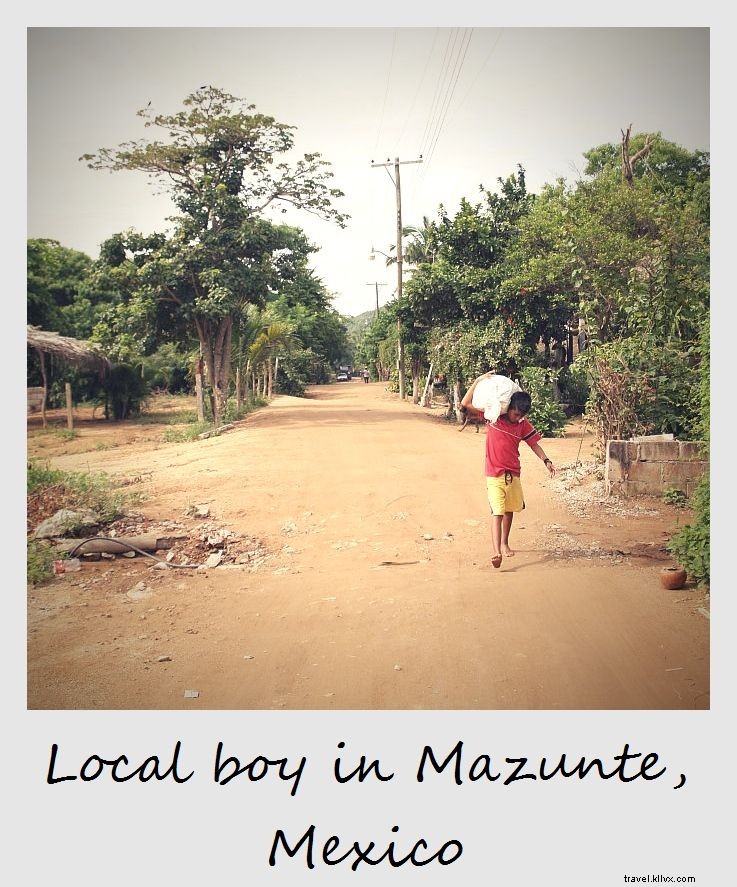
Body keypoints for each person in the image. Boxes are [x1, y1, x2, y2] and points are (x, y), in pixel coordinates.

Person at [462, 373, 556, 569]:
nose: (518, 418)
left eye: (522, 416)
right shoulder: (493, 417)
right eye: (515, 414)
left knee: (509, 510)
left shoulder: (522, 425)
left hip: (513, 474)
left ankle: (505, 543)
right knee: (497, 511)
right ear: (509, 408)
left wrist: (546, 460)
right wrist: (478, 380)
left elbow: (533, 444)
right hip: (493, 474)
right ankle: (497, 552)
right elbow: (465, 403)